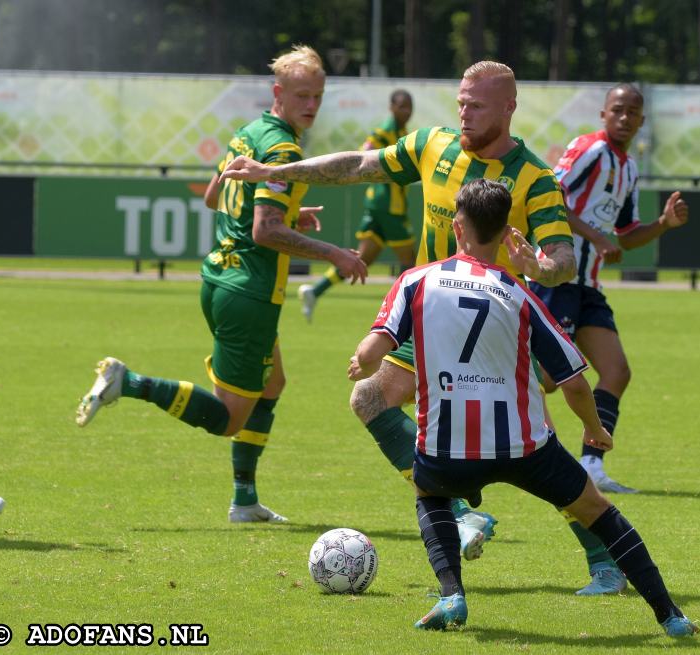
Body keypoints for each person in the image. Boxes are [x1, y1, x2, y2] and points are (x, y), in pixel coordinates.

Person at [220, 60, 629, 595]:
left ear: (508, 108)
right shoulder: (434, 144)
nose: (464, 112)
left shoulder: (534, 177)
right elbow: (359, 164)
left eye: (476, 105)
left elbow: (562, 259)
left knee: (535, 453)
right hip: (428, 323)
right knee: (369, 399)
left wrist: (536, 266)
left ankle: (604, 560)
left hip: (492, 340)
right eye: (461, 100)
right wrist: (276, 173)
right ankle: (461, 513)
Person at [348, 179, 699, 637]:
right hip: (525, 447)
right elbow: (574, 383)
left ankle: (452, 594)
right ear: (504, 233)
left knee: (429, 494)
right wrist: (595, 430)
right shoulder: (519, 294)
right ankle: (670, 615)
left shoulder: (416, 281)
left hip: (446, 451)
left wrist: (363, 358)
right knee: (600, 511)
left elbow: (377, 344)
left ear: (456, 226)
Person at [76, 45, 368, 524]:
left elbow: (215, 196)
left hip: (219, 277)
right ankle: (128, 383)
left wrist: (294, 211)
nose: (311, 105)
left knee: (272, 383)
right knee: (231, 417)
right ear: (279, 93)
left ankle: (245, 500)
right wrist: (335, 253)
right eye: (301, 95)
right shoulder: (283, 149)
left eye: (317, 96)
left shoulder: (248, 134)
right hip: (249, 292)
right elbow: (265, 230)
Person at [530, 83, 689, 493]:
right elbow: (551, 199)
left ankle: (591, 466)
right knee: (546, 378)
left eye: (632, 111)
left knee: (616, 371)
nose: (624, 117)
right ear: (603, 114)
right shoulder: (590, 149)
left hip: (588, 286)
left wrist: (664, 226)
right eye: (617, 109)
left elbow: (628, 233)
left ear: (641, 120)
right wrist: (596, 239)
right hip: (557, 277)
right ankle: (516, 442)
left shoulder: (629, 169)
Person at [298, 90, 416, 322]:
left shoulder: (400, 131)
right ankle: (404, 314)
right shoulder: (386, 130)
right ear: (392, 107)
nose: (406, 111)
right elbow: (366, 150)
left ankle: (314, 291)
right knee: (410, 262)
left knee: (361, 260)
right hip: (388, 207)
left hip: (379, 205)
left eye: (409, 106)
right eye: (402, 106)